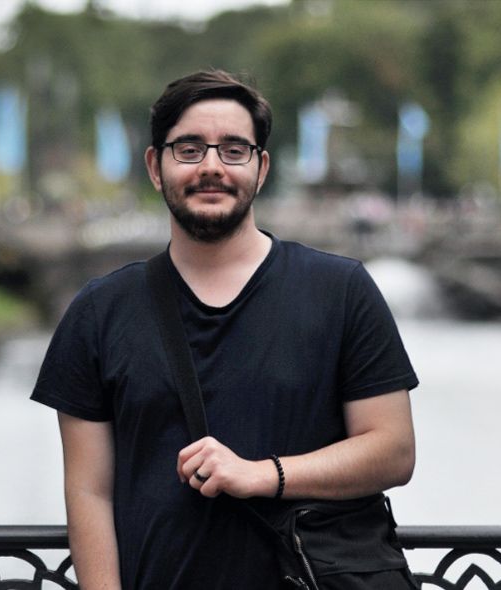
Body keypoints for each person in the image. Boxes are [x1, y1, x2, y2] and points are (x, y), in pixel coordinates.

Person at [30, 68, 419, 589]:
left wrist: (264, 474)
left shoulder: (342, 290)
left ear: (261, 169)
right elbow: (88, 492)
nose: (212, 166)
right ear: (155, 165)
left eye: (234, 150)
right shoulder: (100, 311)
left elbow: (393, 450)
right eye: (189, 149)